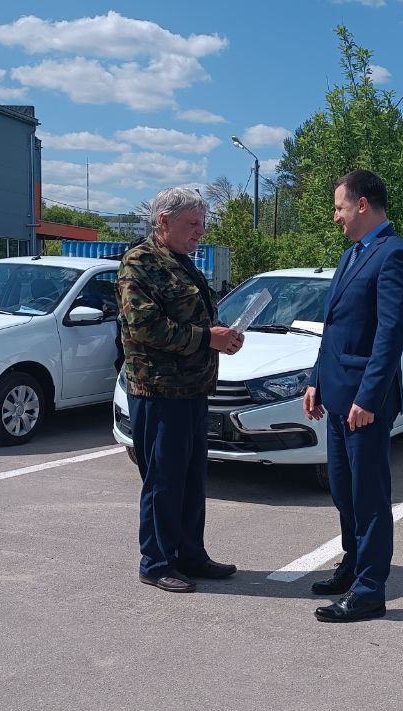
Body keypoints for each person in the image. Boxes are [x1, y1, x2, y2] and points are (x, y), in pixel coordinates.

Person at [304, 169, 403, 623]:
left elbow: (390, 335)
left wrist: (369, 397)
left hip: (363, 405)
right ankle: (353, 565)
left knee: (369, 497)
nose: (336, 217)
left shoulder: (395, 256)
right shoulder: (355, 253)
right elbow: (335, 327)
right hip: (336, 395)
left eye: (339, 207)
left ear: (363, 205)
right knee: (344, 491)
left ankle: (370, 590)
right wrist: (315, 379)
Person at [117, 187, 245, 593]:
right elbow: (145, 327)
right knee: (164, 480)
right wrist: (209, 339)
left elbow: (199, 317)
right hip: (158, 391)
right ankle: (156, 562)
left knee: (191, 478)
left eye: (202, 224)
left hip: (192, 390)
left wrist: (226, 337)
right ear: (164, 222)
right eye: (193, 224)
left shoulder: (182, 262)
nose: (200, 232)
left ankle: (190, 554)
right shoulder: (139, 264)